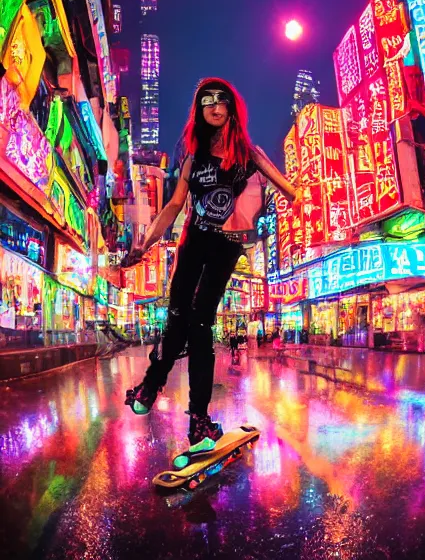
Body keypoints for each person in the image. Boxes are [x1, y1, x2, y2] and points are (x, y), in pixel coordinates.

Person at [122, 78, 295, 453]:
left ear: (232, 108)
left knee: (200, 324)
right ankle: (154, 388)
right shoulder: (193, 161)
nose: (215, 106)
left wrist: (294, 195)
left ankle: (195, 419)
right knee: (177, 316)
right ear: (200, 111)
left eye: (222, 100)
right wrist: (145, 243)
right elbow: (172, 208)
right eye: (207, 101)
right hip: (193, 241)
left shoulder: (249, 155)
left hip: (226, 247)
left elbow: (288, 188)